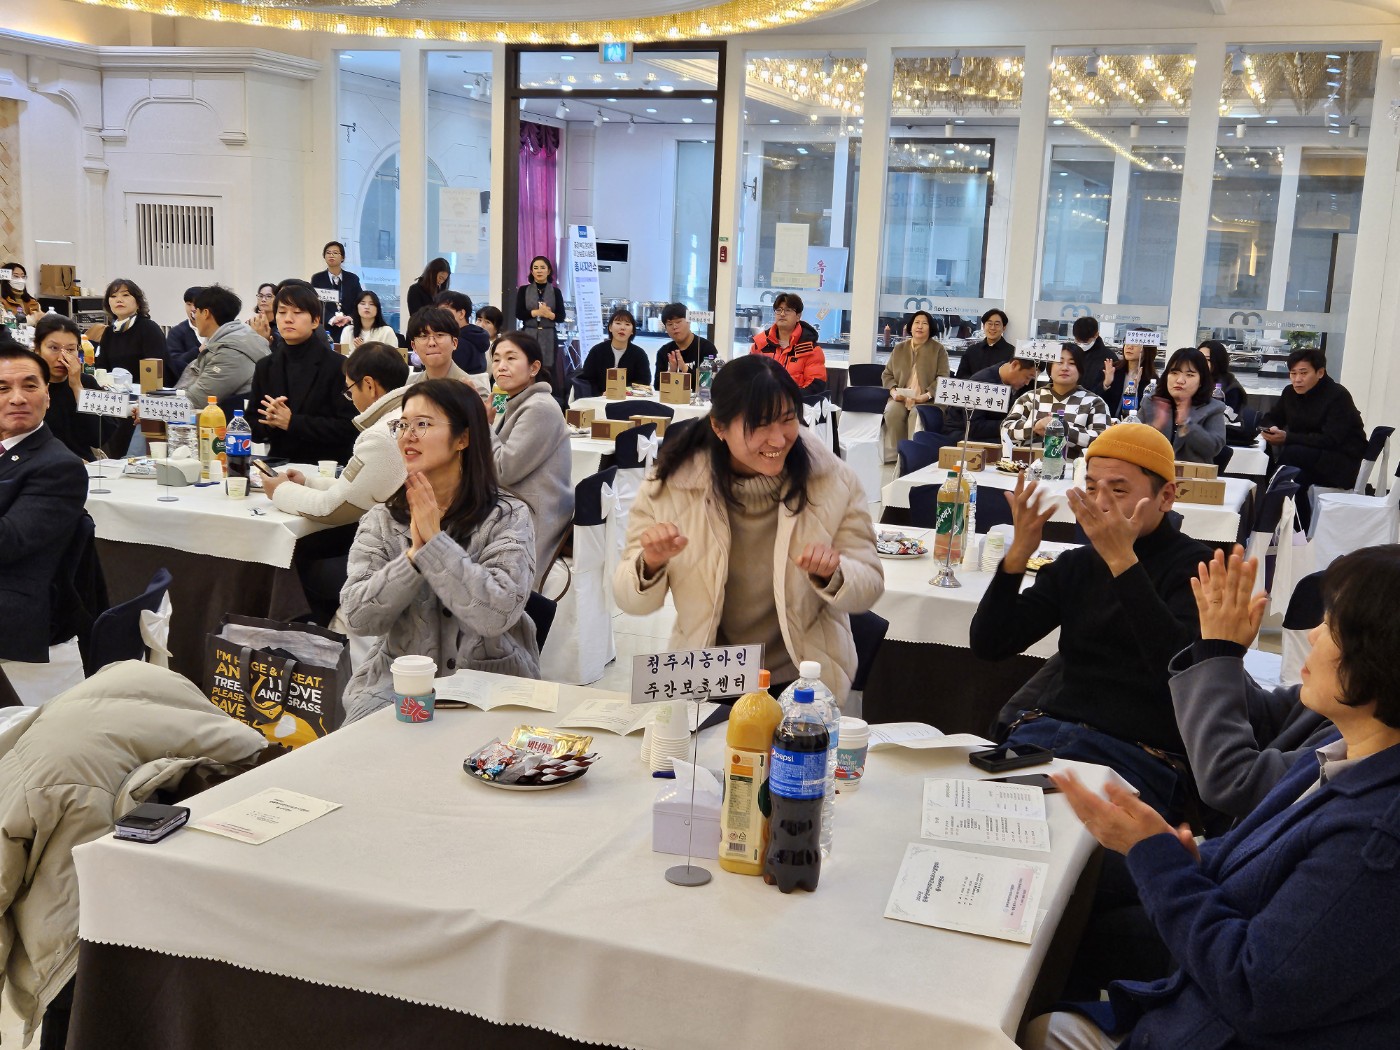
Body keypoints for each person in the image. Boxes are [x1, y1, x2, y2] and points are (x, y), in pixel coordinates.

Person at [1028, 544, 1400, 1050]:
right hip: (1202, 999)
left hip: (1219, 1021)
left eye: (1332, 627)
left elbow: (1255, 989)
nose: (1312, 634)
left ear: (1381, 659)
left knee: (1052, 980)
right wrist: (1172, 850)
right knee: (1072, 883)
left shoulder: (1375, 837)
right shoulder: (1343, 744)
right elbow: (1259, 847)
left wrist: (1157, 856)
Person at [970, 424, 1210, 820]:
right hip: (1049, 736)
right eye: (1092, 487)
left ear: (1166, 496)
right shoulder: (1077, 564)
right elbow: (990, 644)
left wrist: (1123, 563)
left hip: (1141, 753)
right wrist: (1017, 556)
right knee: (978, 816)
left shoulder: (1198, 568)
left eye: (1118, 491)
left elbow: (1179, 670)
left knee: (1076, 841)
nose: (1100, 503)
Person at [614, 355, 883, 701]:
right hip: (708, 674)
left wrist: (835, 574)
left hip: (801, 678)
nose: (778, 440)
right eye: (759, 425)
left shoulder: (833, 481)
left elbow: (870, 584)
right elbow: (629, 600)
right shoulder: (670, 487)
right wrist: (649, 563)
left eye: (787, 419)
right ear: (719, 427)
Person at [339, 379, 540, 723]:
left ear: (463, 439)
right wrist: (413, 558)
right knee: (354, 748)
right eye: (402, 424)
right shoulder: (382, 519)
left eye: (423, 424)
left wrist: (435, 544)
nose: (408, 435)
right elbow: (358, 617)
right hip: (398, 686)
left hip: (489, 684)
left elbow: (496, 615)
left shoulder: (508, 516)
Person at [1170, 546, 1334, 819]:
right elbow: (1263, 715)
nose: (1312, 635)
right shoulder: (1336, 708)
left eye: (1331, 627)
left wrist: (1220, 653)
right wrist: (1215, 648)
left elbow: (1236, 781)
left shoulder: (1357, 751)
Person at [264, 342, 409, 626]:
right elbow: (358, 486)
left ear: (369, 385)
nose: (350, 398)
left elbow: (333, 508)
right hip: (409, 546)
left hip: (394, 557)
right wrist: (308, 482)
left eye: (350, 389)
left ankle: (314, 644)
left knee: (294, 569)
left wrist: (280, 491)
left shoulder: (382, 434)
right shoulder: (405, 416)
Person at [0, 345, 90, 705]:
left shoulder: (58, 465)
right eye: (2, 388)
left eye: (29, 386)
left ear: (47, 396)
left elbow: (8, 541)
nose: (17, 398)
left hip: (16, 605)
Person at [487, 331, 572, 587]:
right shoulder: (511, 399)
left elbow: (503, 471)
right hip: (515, 502)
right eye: (496, 359)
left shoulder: (539, 407)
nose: (501, 366)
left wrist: (482, 425)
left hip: (533, 511)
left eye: (511, 358)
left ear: (534, 368)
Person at [246, 282, 358, 464]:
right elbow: (252, 425)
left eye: (297, 312)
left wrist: (292, 422)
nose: (288, 319)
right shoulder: (265, 366)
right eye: (282, 312)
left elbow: (349, 427)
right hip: (279, 465)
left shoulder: (338, 366)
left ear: (315, 321)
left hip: (324, 468)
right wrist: (270, 422)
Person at [1260, 348, 1367, 527]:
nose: (1297, 379)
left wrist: (1288, 438)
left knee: (1290, 460)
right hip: (1305, 460)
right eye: (1293, 373)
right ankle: (1295, 529)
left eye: (1303, 373)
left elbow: (1330, 439)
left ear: (1320, 373)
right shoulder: (1289, 393)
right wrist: (1270, 428)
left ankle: (1277, 516)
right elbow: (1271, 417)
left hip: (1339, 462)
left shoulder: (1338, 396)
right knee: (1291, 476)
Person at [35, 313, 134, 461]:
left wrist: (77, 387)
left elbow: (100, 437)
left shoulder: (87, 382)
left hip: (84, 465)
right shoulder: (28, 387)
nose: (62, 357)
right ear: (37, 349)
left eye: (70, 349)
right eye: (54, 348)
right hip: (40, 465)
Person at [1001, 344, 1112, 457]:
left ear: (1081, 369)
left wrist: (1065, 431)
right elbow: (1005, 430)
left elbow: (1104, 441)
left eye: (1072, 363)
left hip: (1073, 466)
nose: (1065, 368)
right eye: (1059, 362)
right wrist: (1035, 426)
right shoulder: (1030, 398)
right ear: (1050, 368)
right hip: (1027, 464)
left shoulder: (1094, 403)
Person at [175, 284, 270, 408]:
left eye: (196, 311)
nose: (194, 316)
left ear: (205, 313)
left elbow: (197, 400)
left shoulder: (231, 352)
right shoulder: (237, 337)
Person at [880, 310, 949, 462]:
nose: (920, 326)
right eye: (917, 323)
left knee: (916, 415)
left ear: (930, 328)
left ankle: (914, 457)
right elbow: (887, 374)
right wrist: (893, 392)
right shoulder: (899, 348)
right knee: (892, 412)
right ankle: (900, 455)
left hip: (928, 400)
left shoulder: (938, 349)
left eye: (924, 323)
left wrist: (926, 395)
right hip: (901, 397)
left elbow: (943, 378)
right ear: (910, 327)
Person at [1147, 346, 1226, 463]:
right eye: (1174, 373)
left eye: (1189, 375)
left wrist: (1186, 424)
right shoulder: (1151, 402)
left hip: (1190, 473)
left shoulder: (1213, 408)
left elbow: (1213, 448)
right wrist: (1155, 427)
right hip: (1151, 470)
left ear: (1201, 381)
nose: (1180, 380)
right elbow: (1130, 443)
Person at [943, 356, 1040, 443]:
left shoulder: (1013, 380)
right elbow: (974, 427)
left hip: (988, 431)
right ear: (1014, 365)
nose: (1027, 383)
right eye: (1027, 377)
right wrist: (1012, 425)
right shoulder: (982, 383)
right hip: (962, 432)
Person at [749, 292, 826, 394]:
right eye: (779, 310)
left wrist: (787, 398)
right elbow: (748, 377)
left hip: (796, 402)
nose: (782, 314)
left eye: (787, 310)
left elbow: (816, 385)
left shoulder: (811, 350)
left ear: (798, 316)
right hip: (763, 401)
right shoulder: (760, 345)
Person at [514, 255, 568, 402]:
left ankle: (549, 399)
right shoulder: (524, 290)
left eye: (542, 268)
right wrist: (537, 312)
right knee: (527, 365)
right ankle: (525, 397)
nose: (539, 271)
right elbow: (519, 313)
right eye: (536, 268)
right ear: (531, 271)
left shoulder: (556, 292)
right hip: (529, 333)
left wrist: (549, 315)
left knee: (548, 368)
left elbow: (561, 317)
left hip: (549, 334)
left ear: (548, 271)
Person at [92, 277, 167, 376]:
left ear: (138, 303)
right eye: (113, 296)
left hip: (146, 384)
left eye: (125, 295)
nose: (119, 300)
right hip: (114, 385)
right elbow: (102, 367)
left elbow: (156, 370)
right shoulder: (109, 332)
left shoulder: (149, 328)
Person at [578, 308, 651, 393]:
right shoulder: (597, 351)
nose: (622, 328)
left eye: (627, 324)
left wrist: (623, 391)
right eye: (618, 323)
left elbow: (644, 382)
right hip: (599, 397)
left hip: (628, 398)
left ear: (632, 331)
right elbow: (587, 380)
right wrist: (601, 394)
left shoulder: (639, 354)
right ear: (610, 328)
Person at [404, 306, 472, 387]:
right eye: (423, 336)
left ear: (454, 343)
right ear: (414, 346)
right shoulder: (409, 386)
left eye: (439, 335)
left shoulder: (473, 388)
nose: (431, 343)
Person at [654, 302, 717, 383]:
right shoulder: (664, 352)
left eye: (678, 322)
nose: (674, 327)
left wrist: (684, 368)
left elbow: (708, 382)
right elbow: (657, 385)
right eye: (670, 324)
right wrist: (671, 372)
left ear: (689, 322)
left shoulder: (707, 348)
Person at [434, 290, 491, 375]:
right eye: (437, 311)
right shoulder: (475, 335)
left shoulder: (459, 342)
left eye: (444, 310)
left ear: (461, 313)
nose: (438, 315)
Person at [310, 241, 361, 335]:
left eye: (335, 253)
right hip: (325, 327)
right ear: (324, 256)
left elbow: (359, 302)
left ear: (342, 257)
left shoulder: (353, 279)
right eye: (328, 253)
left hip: (349, 328)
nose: (331, 255)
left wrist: (349, 317)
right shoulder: (317, 279)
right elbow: (314, 304)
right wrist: (331, 318)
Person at [1072, 315, 1121, 404]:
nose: (1081, 344)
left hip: (1096, 405)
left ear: (1096, 335)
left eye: (1085, 342)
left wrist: (1105, 385)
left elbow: (1113, 394)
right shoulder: (1071, 353)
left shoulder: (1108, 358)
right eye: (1078, 341)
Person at [954, 308, 1015, 379]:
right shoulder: (971, 350)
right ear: (983, 326)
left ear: (1004, 328)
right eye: (989, 324)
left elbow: (1012, 379)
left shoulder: (1011, 352)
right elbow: (961, 376)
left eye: (997, 324)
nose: (993, 328)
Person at [339, 290, 397, 356]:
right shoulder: (348, 331)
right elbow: (343, 357)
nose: (367, 307)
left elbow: (392, 359)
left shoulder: (387, 331)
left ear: (377, 309)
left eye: (371, 304)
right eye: (362, 303)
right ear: (357, 307)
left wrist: (364, 351)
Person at [165, 286, 205, 376]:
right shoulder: (176, 332)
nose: (193, 309)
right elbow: (172, 362)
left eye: (196, 304)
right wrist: (198, 351)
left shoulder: (216, 329)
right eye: (189, 304)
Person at [1199, 339, 1247, 413]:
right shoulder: (1195, 380)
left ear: (1218, 361)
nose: (1201, 363)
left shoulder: (1230, 387)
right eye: (1199, 358)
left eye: (1208, 359)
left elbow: (1226, 416)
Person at [1115, 338, 1159, 417]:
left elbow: (1150, 411)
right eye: (1127, 342)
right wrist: (1105, 384)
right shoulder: (1113, 369)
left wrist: (1135, 388)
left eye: (1136, 344)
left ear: (1147, 349)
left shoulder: (1152, 380)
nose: (1129, 347)